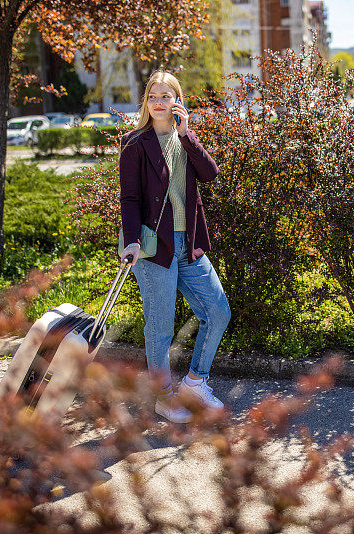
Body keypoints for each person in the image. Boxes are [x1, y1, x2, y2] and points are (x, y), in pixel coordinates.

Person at [119, 71, 231, 423]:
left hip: (189, 244)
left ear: (177, 101)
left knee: (217, 312)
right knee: (160, 327)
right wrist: (132, 240)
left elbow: (210, 174)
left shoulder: (185, 138)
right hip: (153, 247)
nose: (159, 101)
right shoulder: (135, 143)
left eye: (166, 96)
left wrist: (187, 135)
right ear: (146, 101)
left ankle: (195, 383)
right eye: (153, 95)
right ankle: (163, 397)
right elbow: (130, 198)